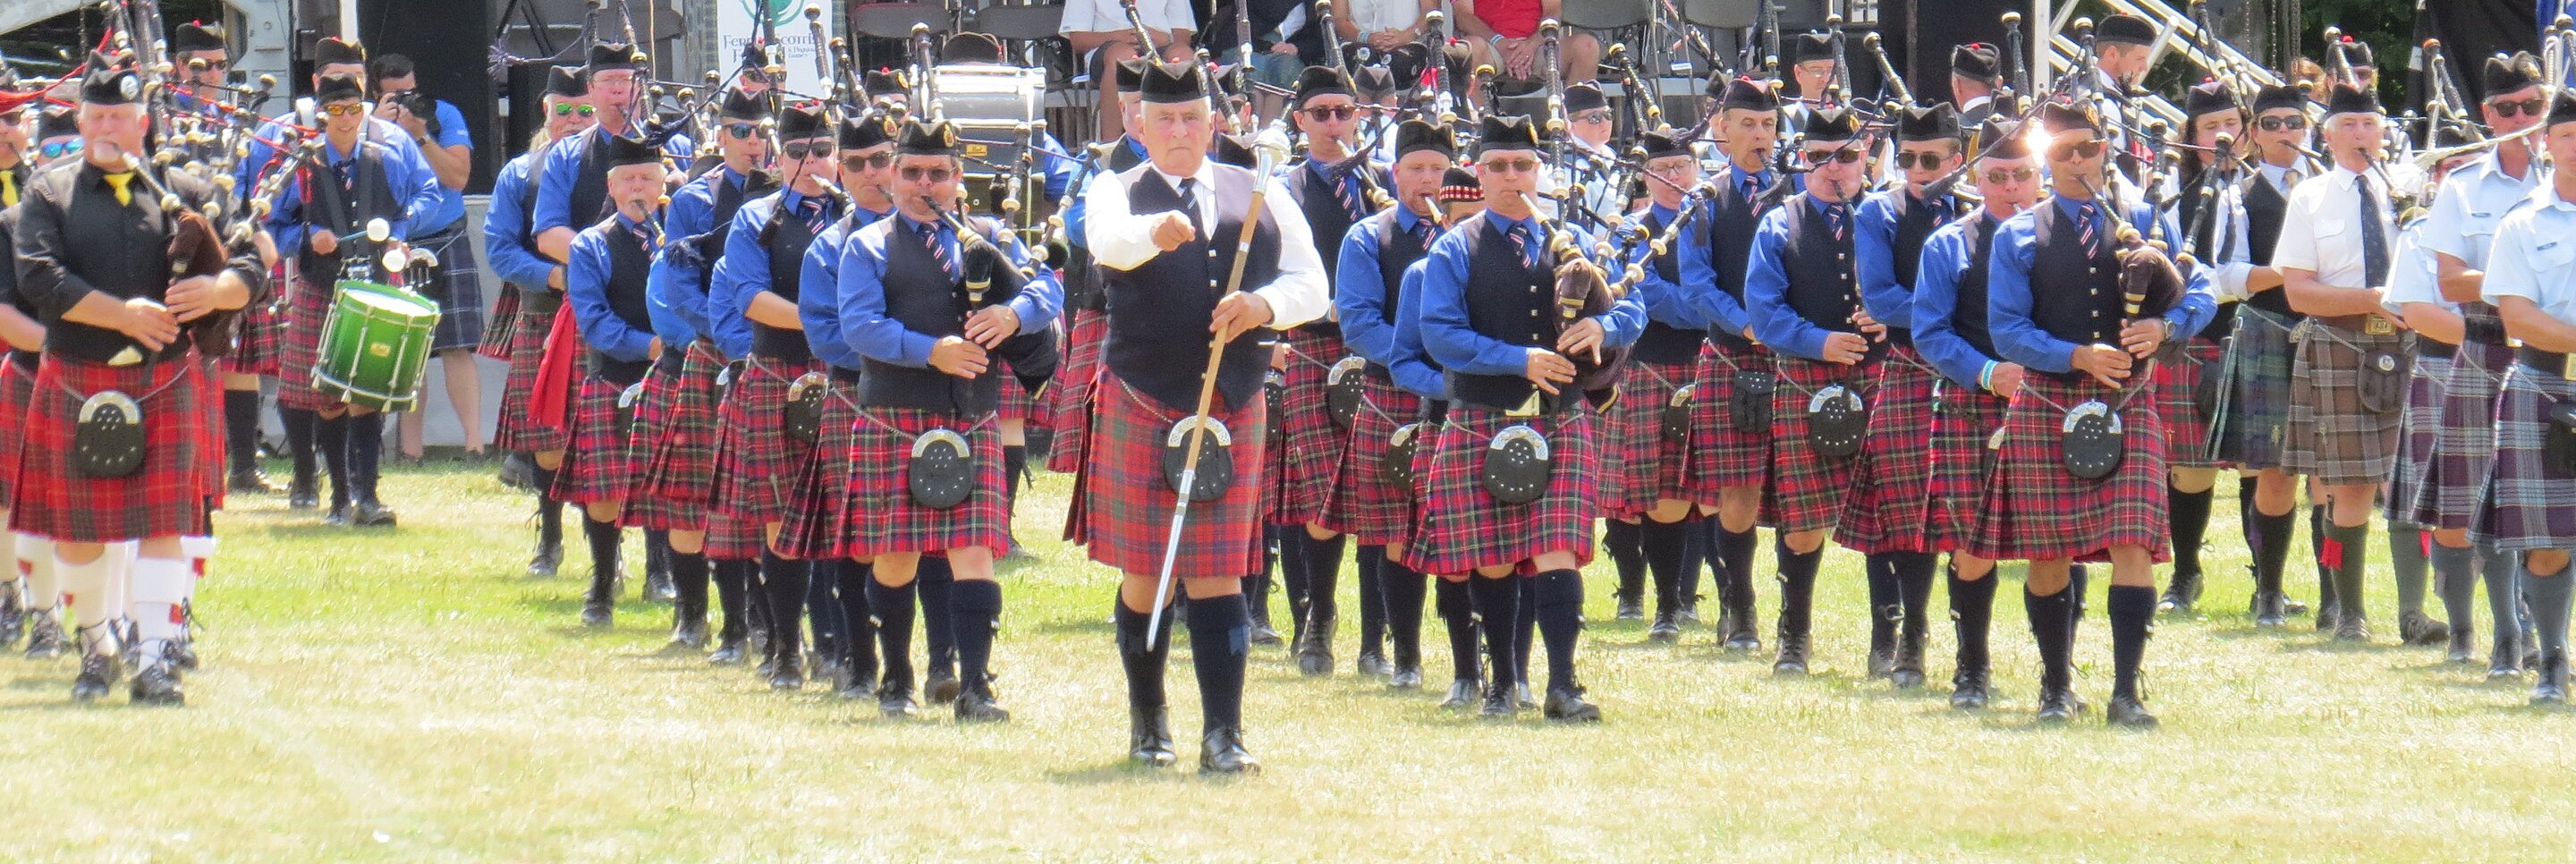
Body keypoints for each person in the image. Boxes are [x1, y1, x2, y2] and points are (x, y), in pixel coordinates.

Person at [1076, 60, 1330, 772]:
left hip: (1231, 401)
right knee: (1146, 571)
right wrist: (1154, 232)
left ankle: (1224, 733)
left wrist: (1263, 307)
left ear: (1213, 125)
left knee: (1220, 574)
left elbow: (1313, 286)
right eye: (1166, 120)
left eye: (1193, 119)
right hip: (1145, 395)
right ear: (1139, 125)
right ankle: (1149, 722)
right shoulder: (1115, 190)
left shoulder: (1260, 190)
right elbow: (1107, 246)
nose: (1181, 131)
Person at [12, 54, 265, 703]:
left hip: (163, 378)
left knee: (164, 526)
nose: (108, 127)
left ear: (143, 122)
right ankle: (97, 647)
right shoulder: (49, 190)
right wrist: (123, 314)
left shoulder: (189, 189)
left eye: (121, 116)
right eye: (97, 115)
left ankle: (153, 660)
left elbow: (250, 261)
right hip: (75, 374)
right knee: (75, 535)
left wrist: (219, 290)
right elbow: (39, 276)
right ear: (82, 117)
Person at [1970, 100, 2216, 727]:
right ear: (2045, 161)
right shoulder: (2019, 234)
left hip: (2129, 402)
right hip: (2051, 399)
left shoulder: (2151, 221)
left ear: (2107, 148)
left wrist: (2165, 325)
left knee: (2133, 542)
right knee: (2049, 552)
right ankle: (2056, 688)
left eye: (2088, 148)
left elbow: (2204, 289)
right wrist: (2076, 353)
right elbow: (2006, 330)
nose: (2077, 161)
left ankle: (2126, 692)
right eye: (2062, 153)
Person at [1411, 112, 1639, 721]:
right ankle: (1502, 685)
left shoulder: (1572, 244)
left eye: (1524, 166)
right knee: (1490, 556)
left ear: (1541, 172)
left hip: (1560, 419)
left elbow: (1631, 308)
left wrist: (1605, 324)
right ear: (1479, 174)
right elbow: (1439, 334)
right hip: (1484, 414)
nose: (1513, 177)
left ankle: (1564, 685)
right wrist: (1520, 360)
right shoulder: (1455, 248)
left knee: (1559, 546)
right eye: (1499, 166)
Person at [839, 118, 1062, 723]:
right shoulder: (868, 246)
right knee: (894, 558)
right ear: (893, 176)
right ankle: (896, 680)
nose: (924, 184)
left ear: (958, 179)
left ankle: (975, 688)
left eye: (938, 173)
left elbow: (1049, 293)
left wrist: (1014, 316)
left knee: (975, 552)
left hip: (972, 418)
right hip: (895, 414)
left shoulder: (986, 236)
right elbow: (857, 325)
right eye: (911, 172)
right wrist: (928, 349)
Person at [262, 72, 443, 529]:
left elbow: (416, 204)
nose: (346, 120)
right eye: (337, 111)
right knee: (327, 395)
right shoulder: (301, 164)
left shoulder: (385, 158)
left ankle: (369, 496)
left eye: (354, 110)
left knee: (370, 392)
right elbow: (271, 223)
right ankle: (339, 498)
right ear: (322, 115)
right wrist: (306, 236)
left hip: (378, 283)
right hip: (322, 285)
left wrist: (399, 239)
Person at [1741, 106, 1883, 676]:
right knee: (1802, 523)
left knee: (1888, 519)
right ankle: (1793, 636)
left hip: (1881, 380)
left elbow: (1924, 300)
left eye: (1846, 156)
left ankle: (1889, 641)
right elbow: (1764, 313)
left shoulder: (1888, 218)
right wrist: (1821, 343)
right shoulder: (1780, 223)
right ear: (1802, 160)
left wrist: (1889, 318)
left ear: (1865, 156)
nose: (1833, 168)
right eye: (1819, 156)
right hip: (1807, 378)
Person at [1911, 117, 2046, 709]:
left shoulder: (2063, 242)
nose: (2012, 186)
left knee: (2053, 539)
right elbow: (1931, 334)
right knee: (1972, 541)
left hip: (2051, 403)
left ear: (2039, 175)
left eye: (2022, 174)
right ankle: (1972, 669)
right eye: (1998, 176)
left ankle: (2057, 674)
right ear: (1976, 178)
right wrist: (1991, 373)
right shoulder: (1948, 245)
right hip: (1973, 403)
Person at [2422, 52, 2548, 676]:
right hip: (2487, 342)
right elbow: (2450, 282)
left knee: (2551, 498)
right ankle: (2495, 633)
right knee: (2475, 498)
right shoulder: (2462, 185)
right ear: (2486, 115)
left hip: (2562, 343)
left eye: (2533, 106)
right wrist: (2519, 284)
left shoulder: (2568, 176)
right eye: (2508, 109)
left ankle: (2541, 635)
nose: (2522, 119)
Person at [1323, 118, 1455, 689]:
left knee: (1447, 523)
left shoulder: (1466, 238)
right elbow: (1357, 323)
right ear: (1395, 173)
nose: (1428, 180)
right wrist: (1421, 363)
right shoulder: (1367, 237)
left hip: (1457, 397)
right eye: (1417, 169)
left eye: (1439, 171)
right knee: (1387, 527)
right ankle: (1384, 646)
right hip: (1391, 393)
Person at [2274, 84, 2408, 643]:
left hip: (2412, 344)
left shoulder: (2409, 194)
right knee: (2348, 485)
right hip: (2340, 344)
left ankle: (2417, 611)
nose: (2360, 135)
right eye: (2348, 124)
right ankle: (2349, 609)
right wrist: (2373, 300)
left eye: (2369, 125)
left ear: (2383, 133)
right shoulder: (2310, 198)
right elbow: (2299, 294)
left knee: (2412, 481)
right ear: (2326, 136)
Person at [1844, 102, 1967, 687]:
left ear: (1957, 158)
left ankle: (1969, 648)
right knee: (1900, 511)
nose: (1919, 168)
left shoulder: (1976, 211)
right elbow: (1880, 299)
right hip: (1912, 370)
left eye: (1931, 158)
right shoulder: (1878, 212)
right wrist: (1954, 314)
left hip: (1972, 373)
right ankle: (1895, 635)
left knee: (1968, 512)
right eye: (1909, 158)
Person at [782, 112, 900, 694]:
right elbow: (826, 336)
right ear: (843, 175)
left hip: (932, 398)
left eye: (881, 159)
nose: (871, 173)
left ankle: (950, 665)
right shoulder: (828, 248)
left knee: (938, 543)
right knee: (852, 542)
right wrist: (910, 353)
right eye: (856, 163)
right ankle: (859, 662)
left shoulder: (941, 237)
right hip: (855, 399)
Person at [1275, 64, 1383, 677]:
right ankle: (1316, 622)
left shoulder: (1382, 183)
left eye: (1344, 112)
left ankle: (1375, 636)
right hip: (1312, 347)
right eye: (1321, 114)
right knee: (1317, 502)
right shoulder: (1286, 189)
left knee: (1378, 493)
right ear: (1300, 121)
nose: (1335, 124)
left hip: (1377, 355)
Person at [2472, 88, 2576, 704]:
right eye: (2567, 136)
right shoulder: (2521, 224)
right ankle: (2552, 662)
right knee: (2547, 538)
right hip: (2544, 380)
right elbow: (2516, 316)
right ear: (2546, 144)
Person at [2207, 83, 2319, 625]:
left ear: (2308, 128)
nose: (2284, 133)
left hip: (2333, 333)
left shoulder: (2335, 189)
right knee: (2274, 471)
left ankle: (2338, 599)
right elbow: (2225, 279)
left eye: (2293, 122)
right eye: (2271, 123)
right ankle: (2269, 592)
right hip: (2270, 329)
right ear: (2252, 134)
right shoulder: (2237, 194)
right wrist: (2295, 270)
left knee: (2334, 473)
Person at [554, 132, 672, 628]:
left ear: (665, 181)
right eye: (628, 180)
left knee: (667, 487)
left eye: (647, 177)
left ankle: (661, 573)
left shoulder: (681, 240)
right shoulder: (591, 245)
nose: (638, 187)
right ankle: (602, 582)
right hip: (613, 379)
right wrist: (647, 345)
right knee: (603, 494)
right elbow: (594, 320)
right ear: (613, 186)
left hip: (670, 381)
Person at [485, 64, 596, 577]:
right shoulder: (519, 173)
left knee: (615, 439)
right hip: (545, 316)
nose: (573, 122)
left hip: (608, 321)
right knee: (548, 444)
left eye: (585, 112)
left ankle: (642, 563)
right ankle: (549, 543)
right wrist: (556, 278)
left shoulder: (618, 165)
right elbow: (501, 251)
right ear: (546, 111)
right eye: (563, 112)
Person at [1599, 130, 1707, 640]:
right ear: (1645, 176)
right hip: (1648, 366)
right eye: (1662, 170)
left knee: (1705, 491)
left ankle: (1688, 596)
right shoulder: (1629, 231)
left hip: (1710, 365)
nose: (1674, 179)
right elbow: (1652, 297)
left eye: (1682, 167)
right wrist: (1712, 310)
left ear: (1696, 168)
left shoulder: (1714, 225)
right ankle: (1643, 594)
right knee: (1649, 489)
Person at [2153, 81, 2245, 614]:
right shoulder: (2174, 200)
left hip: (2256, 334)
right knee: (2191, 466)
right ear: (2191, 137)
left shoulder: (2265, 191)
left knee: (2262, 464)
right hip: (2195, 342)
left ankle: (2268, 582)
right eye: (2211, 127)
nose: (2223, 135)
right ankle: (2186, 572)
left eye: (2231, 123)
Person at [2391, 137, 2484, 662]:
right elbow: (2418, 312)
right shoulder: (2420, 231)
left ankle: (2526, 628)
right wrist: (2501, 338)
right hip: (2444, 368)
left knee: (2518, 505)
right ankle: (2459, 627)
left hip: (2520, 368)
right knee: (2448, 506)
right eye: (2453, 169)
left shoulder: (2514, 226)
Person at [369, 53, 484, 461]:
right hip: (392, 245)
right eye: (394, 96)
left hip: (445, 238)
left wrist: (419, 135)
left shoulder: (442, 115)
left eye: (411, 92)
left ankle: (474, 445)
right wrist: (382, 126)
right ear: (377, 93)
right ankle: (410, 452)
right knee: (407, 350)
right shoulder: (366, 125)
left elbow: (458, 177)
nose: (405, 101)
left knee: (458, 346)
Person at [1057, 0, 1197, 142]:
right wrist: (1118, 36)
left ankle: (1189, 142)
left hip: (1160, 44)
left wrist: (1163, 38)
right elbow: (1079, 40)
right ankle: (1111, 148)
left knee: (1184, 57)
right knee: (1124, 59)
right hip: (1107, 48)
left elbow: (1183, 37)